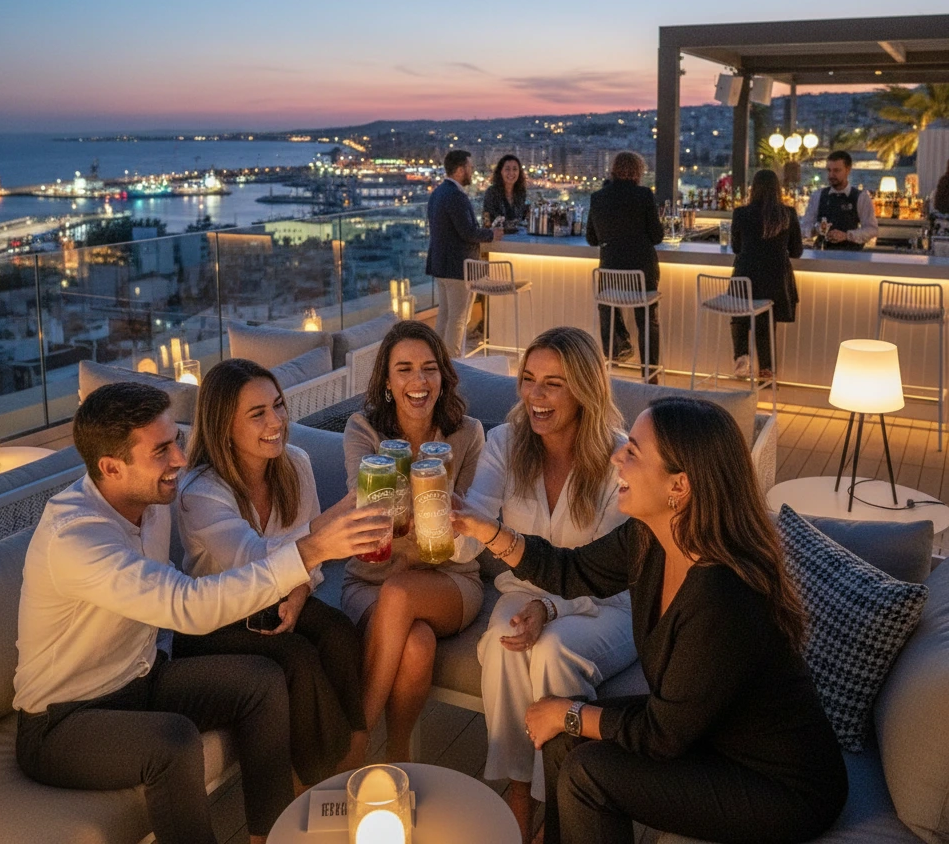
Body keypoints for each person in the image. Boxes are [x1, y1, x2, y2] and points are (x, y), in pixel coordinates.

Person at [453, 396, 848, 844]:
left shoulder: (723, 595)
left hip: (777, 786)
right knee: (566, 738)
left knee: (588, 770)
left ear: (678, 486)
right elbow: (570, 570)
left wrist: (570, 712)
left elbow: (662, 735)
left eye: (634, 452)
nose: (617, 456)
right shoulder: (651, 540)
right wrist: (482, 528)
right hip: (704, 733)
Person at [14, 381, 390, 844]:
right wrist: (309, 551)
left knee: (261, 681)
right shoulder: (77, 539)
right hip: (64, 722)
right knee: (172, 742)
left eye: (176, 441)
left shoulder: (149, 505)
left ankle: (269, 835)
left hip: (142, 679)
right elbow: (186, 605)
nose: (180, 459)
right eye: (161, 451)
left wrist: (307, 559)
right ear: (111, 467)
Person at [460, 327, 637, 844]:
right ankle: (519, 800)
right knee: (504, 644)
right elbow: (472, 532)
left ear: (584, 388)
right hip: (521, 592)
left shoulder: (618, 459)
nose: (534, 396)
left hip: (608, 605)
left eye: (552, 384)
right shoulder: (504, 442)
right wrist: (439, 520)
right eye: (528, 379)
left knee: (554, 650)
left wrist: (550, 609)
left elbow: (607, 571)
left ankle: (564, 809)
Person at [173, 359, 368, 785]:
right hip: (215, 620)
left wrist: (299, 593)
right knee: (296, 658)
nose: (277, 421)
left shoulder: (294, 463)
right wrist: (328, 524)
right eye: (258, 414)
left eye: (278, 406)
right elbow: (255, 559)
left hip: (278, 600)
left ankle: (355, 755)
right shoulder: (199, 491)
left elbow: (308, 563)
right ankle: (311, 784)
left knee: (336, 630)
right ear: (224, 426)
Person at [342, 319, 485, 760]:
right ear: (387, 381)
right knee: (417, 644)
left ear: (443, 376)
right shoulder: (362, 431)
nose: (418, 381)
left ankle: (356, 736)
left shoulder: (468, 433)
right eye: (404, 369)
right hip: (370, 581)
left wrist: (440, 502)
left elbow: (472, 529)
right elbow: (367, 519)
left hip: (452, 580)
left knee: (402, 592)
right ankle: (399, 753)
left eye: (429, 368)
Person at [586, 151, 664, 372]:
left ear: (613, 170)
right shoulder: (644, 195)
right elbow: (657, 236)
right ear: (638, 171)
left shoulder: (597, 197)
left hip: (610, 273)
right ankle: (650, 372)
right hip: (642, 271)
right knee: (647, 318)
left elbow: (591, 239)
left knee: (607, 306)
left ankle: (614, 358)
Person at [426, 148, 504, 356]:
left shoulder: (437, 193)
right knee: (459, 318)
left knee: (445, 316)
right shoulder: (456, 196)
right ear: (460, 170)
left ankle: (438, 360)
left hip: (440, 264)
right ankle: (453, 364)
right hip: (458, 266)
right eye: (470, 167)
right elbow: (468, 232)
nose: (472, 171)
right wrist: (491, 234)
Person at [729, 168, 803, 382]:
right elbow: (796, 251)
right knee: (765, 316)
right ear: (777, 190)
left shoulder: (741, 213)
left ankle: (741, 357)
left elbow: (736, 248)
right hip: (776, 283)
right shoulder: (787, 214)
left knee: (740, 311)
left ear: (754, 189)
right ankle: (767, 369)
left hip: (745, 278)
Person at [801, 150, 879, 250]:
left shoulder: (860, 197)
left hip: (851, 256)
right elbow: (803, 228)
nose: (831, 175)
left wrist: (847, 235)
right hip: (821, 255)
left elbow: (872, 229)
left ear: (848, 170)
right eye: (829, 170)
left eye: (836, 170)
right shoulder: (818, 196)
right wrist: (816, 230)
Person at [483, 153, 529, 227]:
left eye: (515, 169)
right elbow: (487, 220)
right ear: (501, 172)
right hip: (497, 236)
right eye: (507, 169)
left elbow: (524, 219)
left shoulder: (521, 192)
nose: (511, 173)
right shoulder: (491, 192)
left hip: (519, 236)